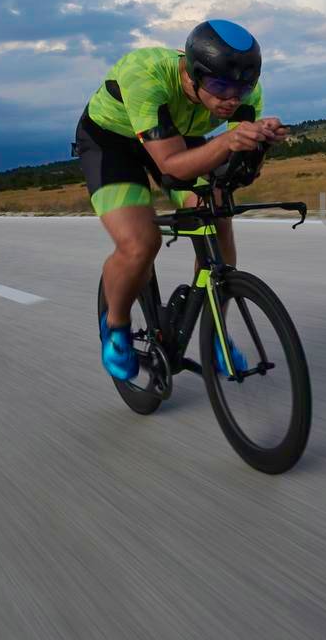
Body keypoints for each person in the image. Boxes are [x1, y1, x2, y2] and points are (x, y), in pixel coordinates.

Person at [75, 19, 286, 382]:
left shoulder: (243, 93)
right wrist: (225, 143)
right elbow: (170, 166)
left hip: (177, 136)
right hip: (113, 145)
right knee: (141, 243)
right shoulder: (146, 74)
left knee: (217, 211)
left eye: (242, 88)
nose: (231, 99)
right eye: (220, 87)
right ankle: (116, 327)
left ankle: (215, 330)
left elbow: (238, 172)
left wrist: (259, 144)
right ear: (191, 74)